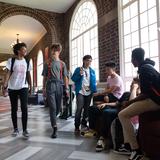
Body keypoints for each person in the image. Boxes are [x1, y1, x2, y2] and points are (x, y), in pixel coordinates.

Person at [118, 48, 160, 160]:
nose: (131, 62)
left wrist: (129, 102)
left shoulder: (144, 70)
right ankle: (128, 145)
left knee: (122, 115)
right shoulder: (148, 67)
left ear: (135, 59)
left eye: (132, 59)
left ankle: (135, 150)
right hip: (154, 99)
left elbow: (146, 94)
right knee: (124, 114)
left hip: (155, 102)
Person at [2, 42, 32, 138]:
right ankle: (15, 129)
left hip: (23, 86)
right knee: (14, 108)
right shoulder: (11, 60)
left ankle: (25, 130)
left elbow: (28, 74)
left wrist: (31, 85)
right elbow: (8, 73)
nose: (25, 51)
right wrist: (5, 84)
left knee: (24, 107)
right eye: (24, 49)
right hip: (12, 87)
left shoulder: (27, 61)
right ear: (19, 51)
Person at [42, 43, 69, 138]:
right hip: (50, 85)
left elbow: (65, 77)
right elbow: (45, 77)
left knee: (58, 108)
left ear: (59, 51)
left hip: (59, 85)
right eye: (52, 50)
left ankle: (54, 117)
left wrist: (66, 89)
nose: (53, 52)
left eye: (55, 50)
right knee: (53, 108)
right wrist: (43, 88)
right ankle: (54, 128)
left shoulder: (62, 64)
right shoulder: (47, 63)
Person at [71, 55, 97, 133]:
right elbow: (73, 79)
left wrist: (94, 91)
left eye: (90, 61)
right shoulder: (78, 69)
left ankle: (84, 124)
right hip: (80, 91)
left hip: (89, 92)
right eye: (88, 60)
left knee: (87, 109)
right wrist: (79, 74)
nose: (89, 62)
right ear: (84, 61)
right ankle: (76, 126)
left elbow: (94, 82)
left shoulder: (92, 71)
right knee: (79, 108)